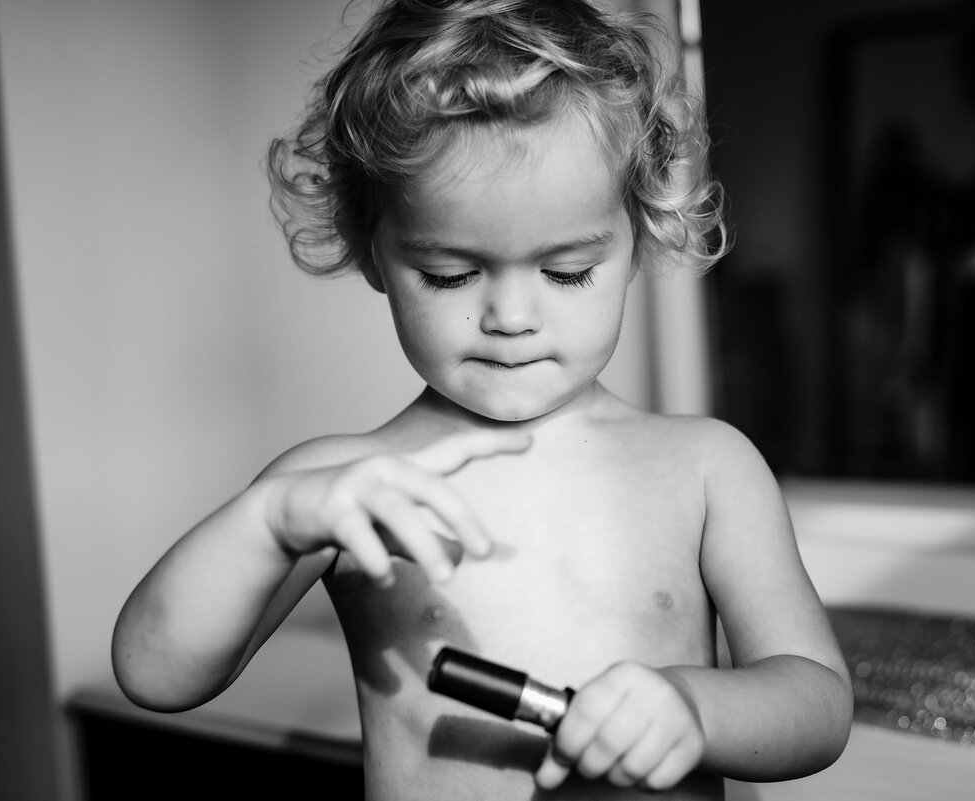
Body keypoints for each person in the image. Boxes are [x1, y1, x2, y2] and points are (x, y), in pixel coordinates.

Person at [111, 1, 853, 798]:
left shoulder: (707, 468)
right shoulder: (345, 484)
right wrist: (269, 521)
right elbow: (156, 674)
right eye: (450, 274)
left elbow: (817, 704)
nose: (510, 317)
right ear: (373, 252)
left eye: (567, 270)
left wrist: (695, 706)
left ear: (637, 236)